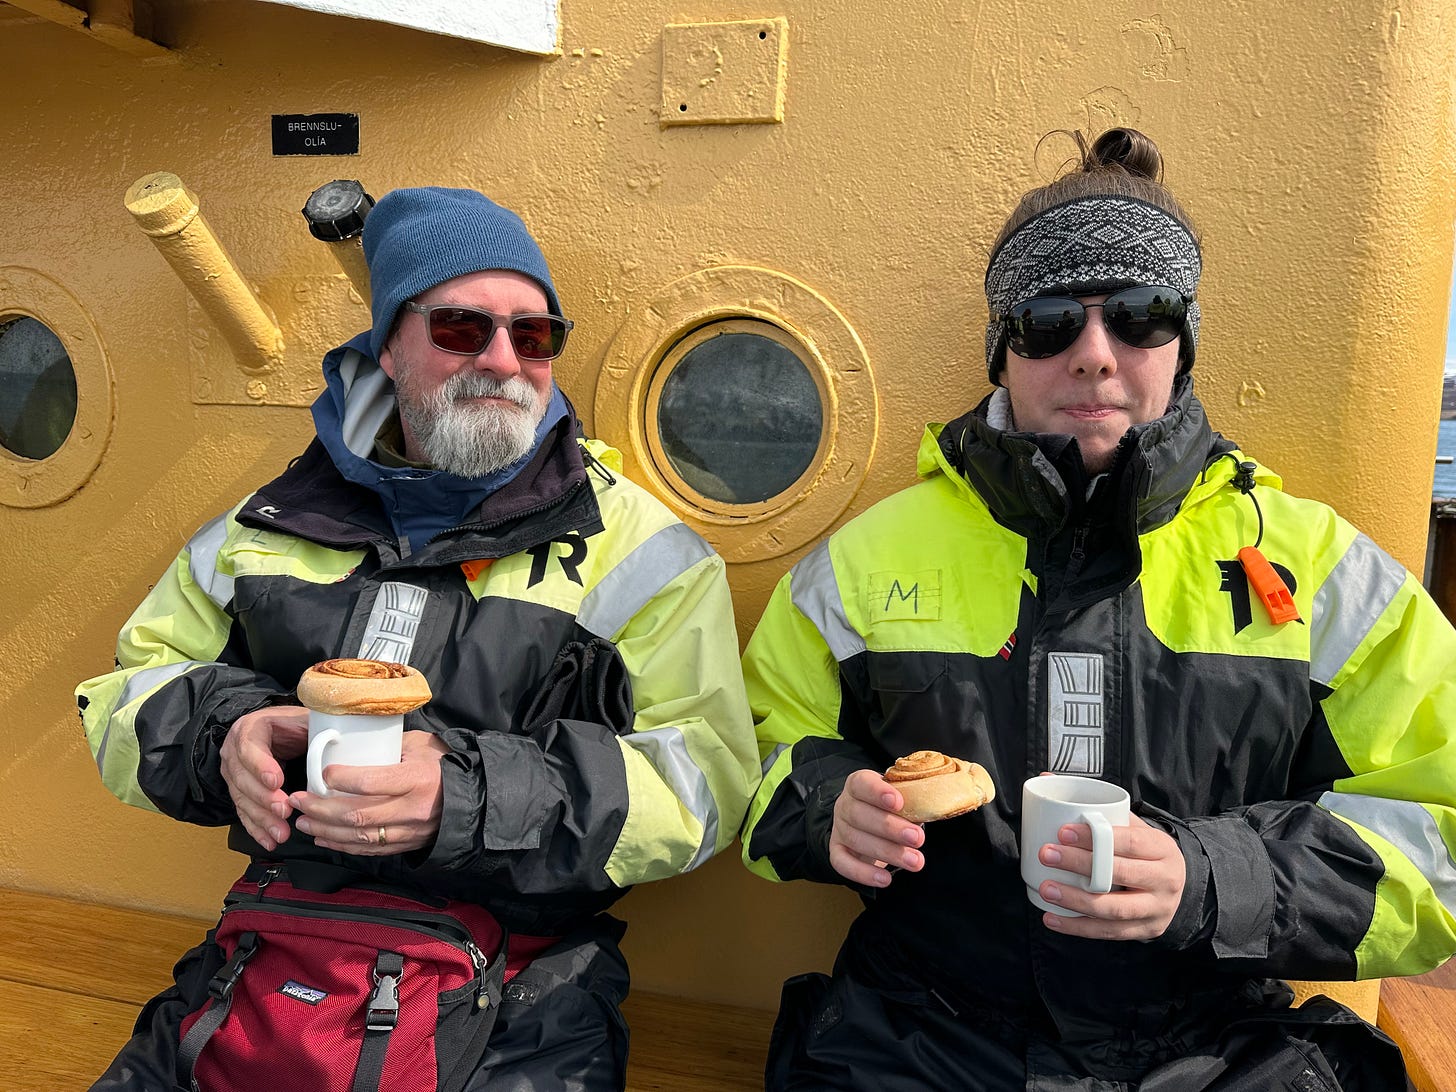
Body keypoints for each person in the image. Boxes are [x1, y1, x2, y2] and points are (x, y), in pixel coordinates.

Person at [738, 128, 1456, 1090]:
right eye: (1046, 320)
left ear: (1182, 340)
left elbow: (1437, 830)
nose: (1092, 355)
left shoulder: (1324, 572)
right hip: (920, 1035)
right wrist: (826, 808)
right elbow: (747, 747)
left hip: (1213, 1042)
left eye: (1139, 314)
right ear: (1002, 349)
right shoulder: (863, 563)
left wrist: (1211, 880)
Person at [78, 186, 759, 1090]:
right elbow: (125, 690)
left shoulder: (646, 554)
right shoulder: (263, 525)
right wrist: (226, 735)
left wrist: (463, 799)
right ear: (387, 348)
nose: (505, 361)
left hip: (525, 983)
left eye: (535, 334)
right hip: (277, 947)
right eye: (460, 330)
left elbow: (707, 779)